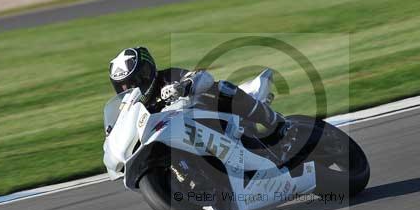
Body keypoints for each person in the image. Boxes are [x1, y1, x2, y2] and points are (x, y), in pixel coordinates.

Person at [108, 46, 288, 146]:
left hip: (213, 120)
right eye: (123, 86)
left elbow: (203, 78)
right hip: (182, 139)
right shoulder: (130, 107)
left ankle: (276, 122)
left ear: (146, 72)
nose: (130, 89)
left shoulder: (167, 77)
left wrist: (183, 87)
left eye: (133, 82)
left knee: (222, 88)